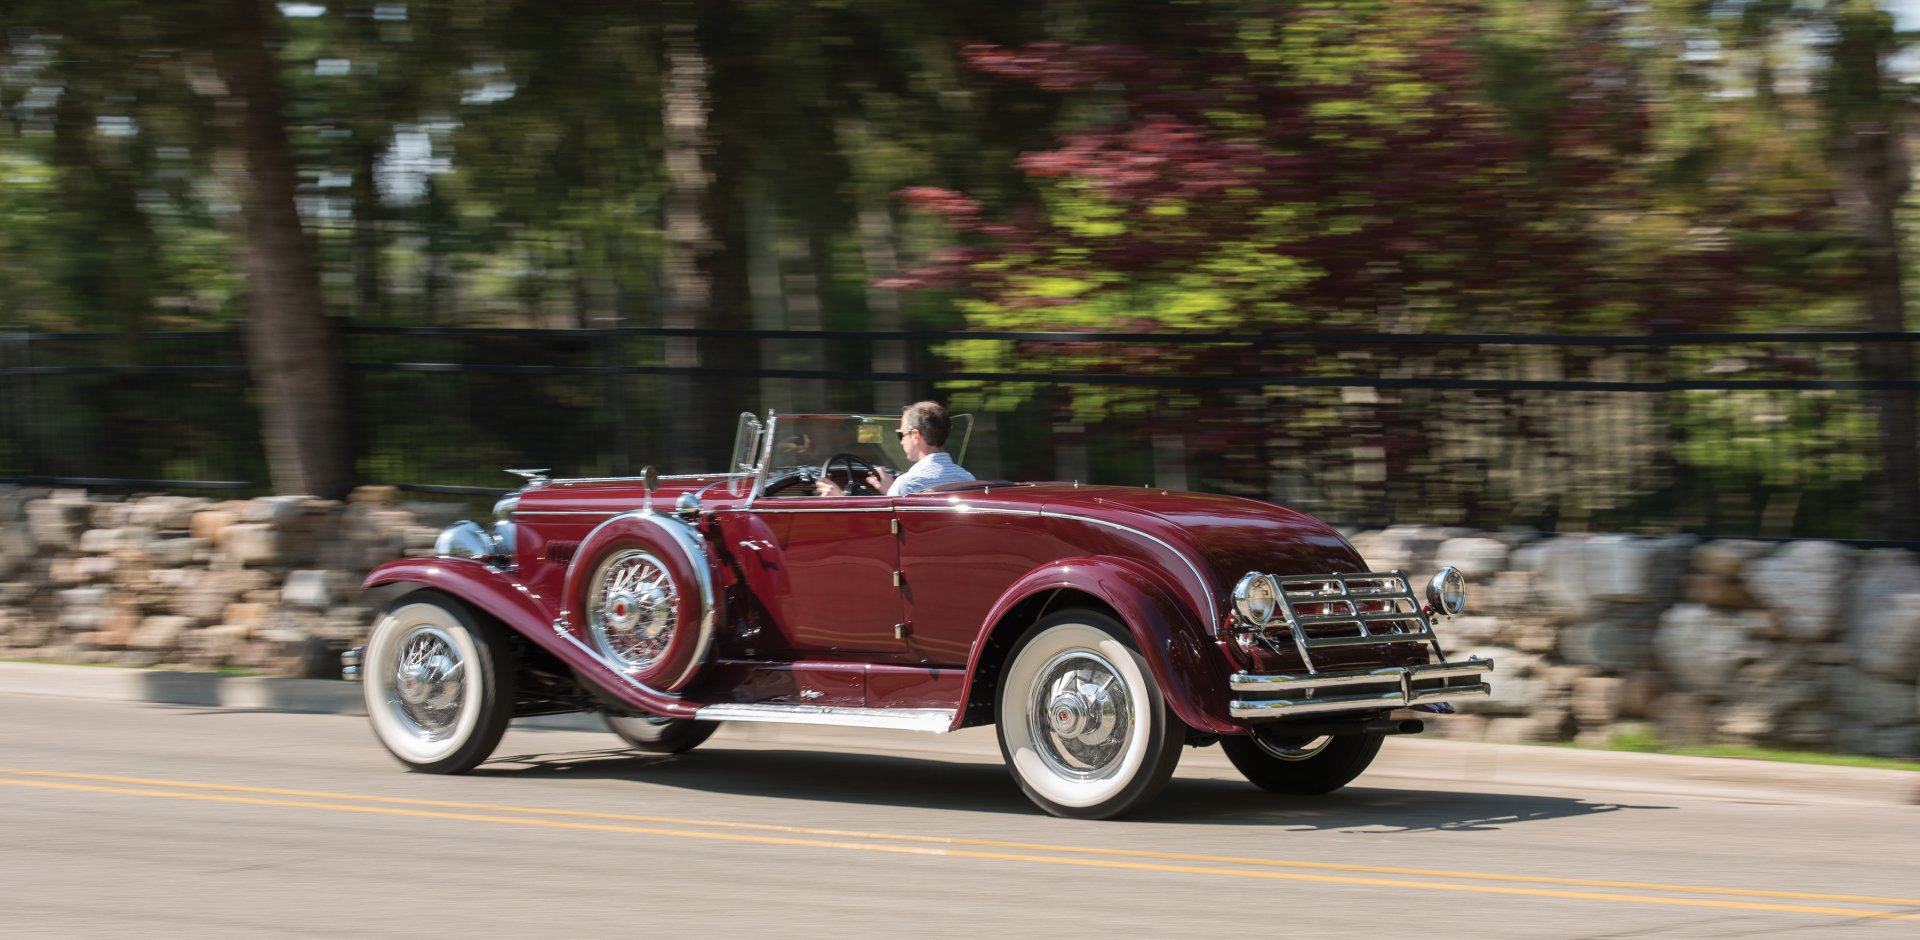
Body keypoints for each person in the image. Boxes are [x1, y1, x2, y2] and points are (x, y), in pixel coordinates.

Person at [815, 401, 973, 496]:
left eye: (901, 434)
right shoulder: (967, 479)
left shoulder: (908, 484)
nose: (901, 442)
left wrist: (841, 499)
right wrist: (891, 492)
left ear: (916, 436)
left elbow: (880, 534)